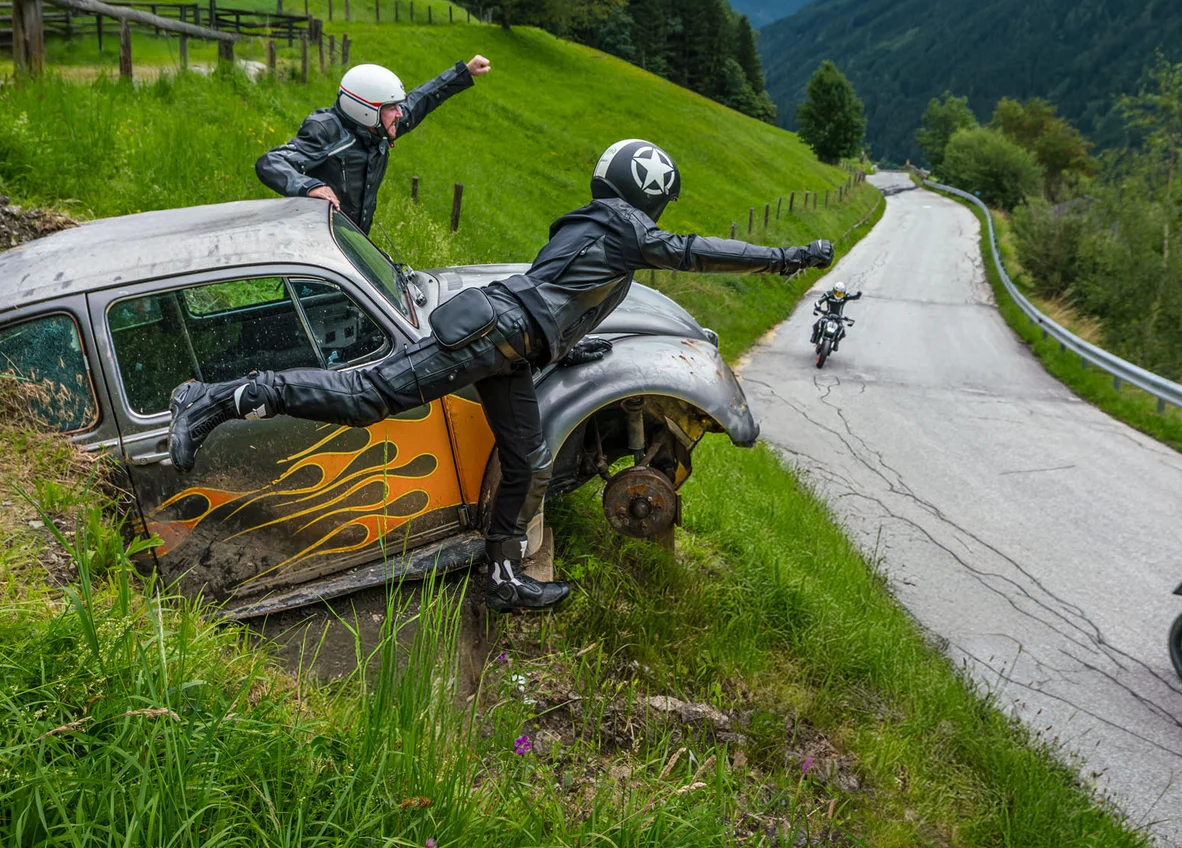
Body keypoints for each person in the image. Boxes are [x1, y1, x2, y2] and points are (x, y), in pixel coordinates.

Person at [169, 139, 835, 612]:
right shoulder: (619, 224)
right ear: (648, 197)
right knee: (369, 396)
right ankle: (222, 396)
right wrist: (786, 257)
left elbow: (558, 296)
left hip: (511, 346)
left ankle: (503, 576)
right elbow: (691, 253)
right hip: (492, 336)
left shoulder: (591, 226)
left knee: (526, 456)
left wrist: (564, 351)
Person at [256, 56, 491, 233]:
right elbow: (271, 162)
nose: (400, 113)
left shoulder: (378, 130)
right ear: (365, 109)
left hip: (354, 243)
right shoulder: (325, 130)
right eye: (391, 107)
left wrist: (463, 72)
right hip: (314, 249)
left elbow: (421, 100)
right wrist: (309, 187)